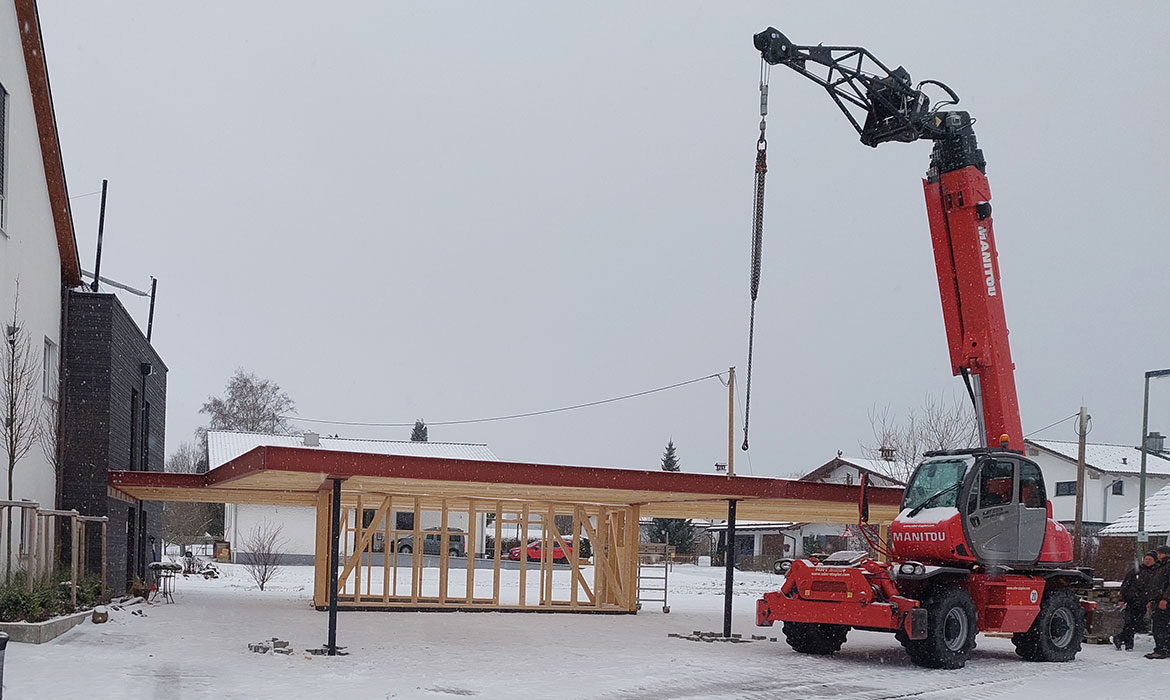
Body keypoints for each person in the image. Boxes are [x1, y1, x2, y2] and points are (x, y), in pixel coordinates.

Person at [1116, 552, 1158, 651]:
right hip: (1132, 600)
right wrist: (1122, 599)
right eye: (1146, 559)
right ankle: (1128, 644)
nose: (1147, 561)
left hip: (1146, 602)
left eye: (1150, 559)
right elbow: (1125, 585)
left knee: (1136, 623)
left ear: (1154, 561)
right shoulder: (1135, 571)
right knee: (1129, 621)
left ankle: (1120, 638)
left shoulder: (1156, 572)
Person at [1145, 544, 1170, 659]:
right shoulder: (1161, 567)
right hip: (1158, 599)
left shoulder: (1167, 567)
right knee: (1161, 625)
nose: (1158, 555)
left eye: (1160, 553)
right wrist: (1152, 600)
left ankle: (1161, 650)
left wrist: (1165, 599)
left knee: (1160, 626)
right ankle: (1164, 648)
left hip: (1164, 601)